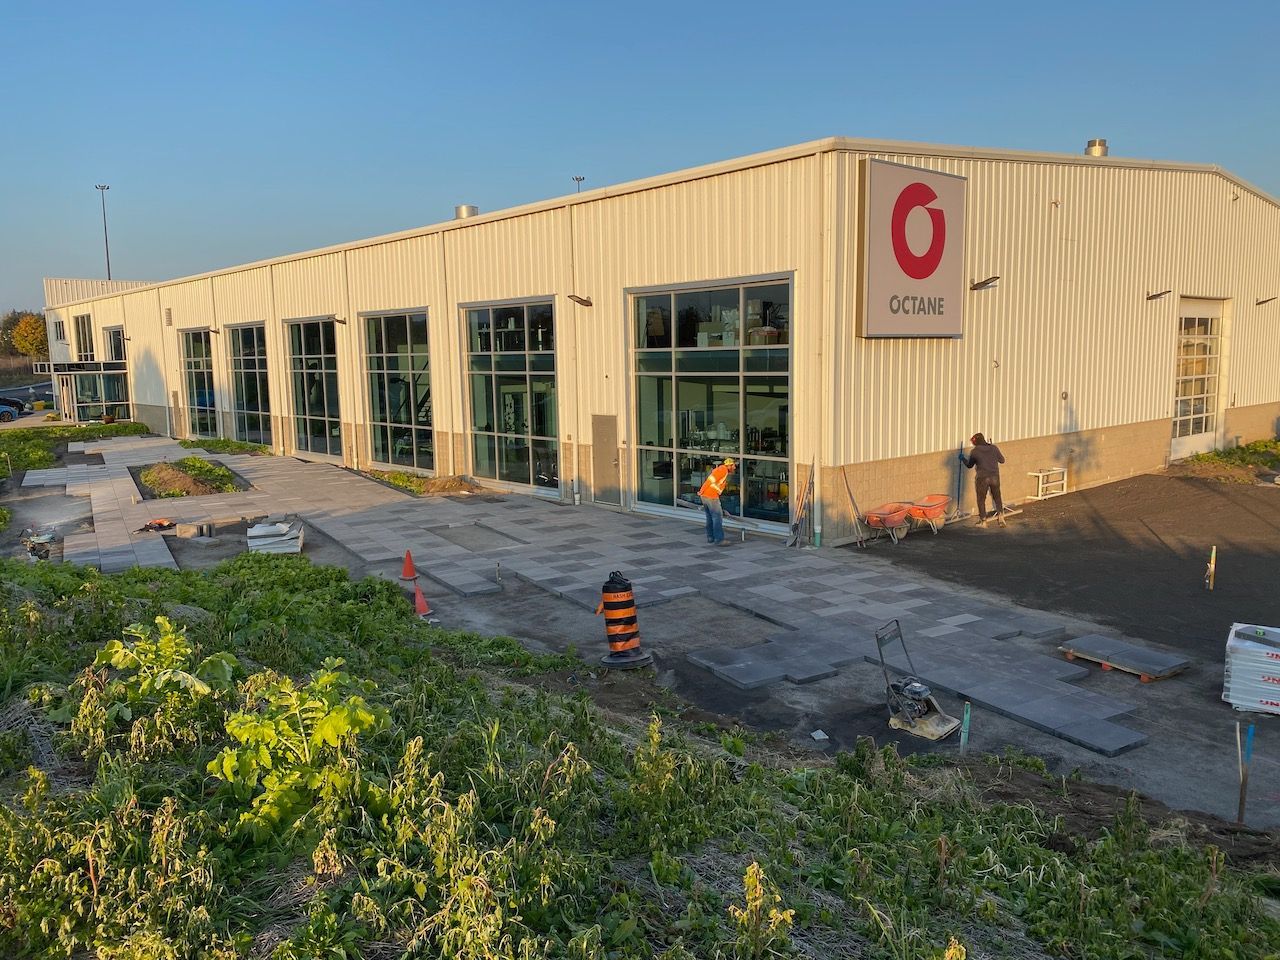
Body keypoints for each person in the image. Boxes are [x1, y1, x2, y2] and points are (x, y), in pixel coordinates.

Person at [960, 433, 1006, 526]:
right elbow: (1002, 460)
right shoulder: (994, 448)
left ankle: (983, 521)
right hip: (994, 477)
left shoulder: (975, 451)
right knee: (997, 497)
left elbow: (969, 465)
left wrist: (962, 458)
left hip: (982, 478)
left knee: (981, 499)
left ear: (976, 441)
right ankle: (1001, 518)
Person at [699, 458, 737, 544]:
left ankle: (710, 537)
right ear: (729, 465)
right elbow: (711, 480)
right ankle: (719, 539)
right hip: (711, 496)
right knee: (717, 518)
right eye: (733, 466)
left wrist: (702, 491)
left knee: (710, 517)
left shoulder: (721, 470)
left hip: (705, 495)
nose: (734, 468)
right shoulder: (722, 470)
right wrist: (718, 490)